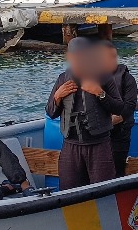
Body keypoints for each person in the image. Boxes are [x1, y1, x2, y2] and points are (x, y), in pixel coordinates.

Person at [48, 37, 124, 189]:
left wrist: (100, 93)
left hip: (98, 145)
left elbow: (119, 109)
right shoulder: (62, 79)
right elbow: (50, 113)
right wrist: (57, 96)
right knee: (68, 192)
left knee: (103, 191)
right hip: (71, 147)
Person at [103, 40, 138, 175]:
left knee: (116, 170)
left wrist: (107, 123)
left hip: (119, 132)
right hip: (97, 134)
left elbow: (129, 107)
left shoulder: (127, 79)